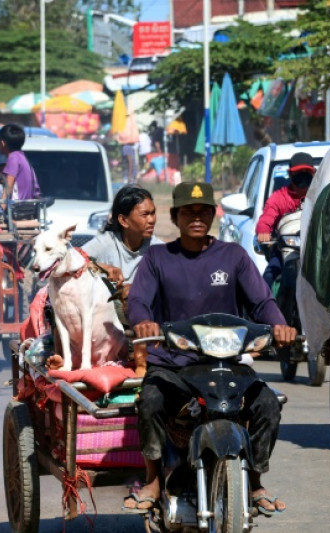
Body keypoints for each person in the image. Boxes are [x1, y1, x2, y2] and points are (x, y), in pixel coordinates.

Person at [123, 182, 296, 515]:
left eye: (203, 211)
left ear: (214, 215)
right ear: (175, 216)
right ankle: (152, 479)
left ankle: (256, 481)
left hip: (226, 363)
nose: (196, 218)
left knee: (268, 406)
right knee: (150, 400)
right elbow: (139, 300)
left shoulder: (233, 256)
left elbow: (262, 301)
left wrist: (279, 325)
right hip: (173, 364)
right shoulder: (158, 258)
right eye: (188, 212)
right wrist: (143, 321)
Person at [80, 185, 162, 285]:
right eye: (144, 215)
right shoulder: (106, 243)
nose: (152, 220)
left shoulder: (157, 249)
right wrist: (101, 267)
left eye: (153, 213)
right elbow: (69, 262)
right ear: (123, 220)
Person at [255, 152, 315, 287]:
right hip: (284, 250)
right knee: (268, 277)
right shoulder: (278, 197)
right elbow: (266, 218)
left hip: (315, 250)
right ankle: (264, 307)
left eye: (307, 173)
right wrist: (263, 231)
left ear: (314, 174)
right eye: (298, 174)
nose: (303, 179)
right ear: (290, 175)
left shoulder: (320, 196)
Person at [0, 124, 39, 203]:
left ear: (2, 143)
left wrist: (0, 210)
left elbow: (8, 187)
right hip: (27, 207)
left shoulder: (13, 158)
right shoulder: (21, 156)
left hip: (17, 208)